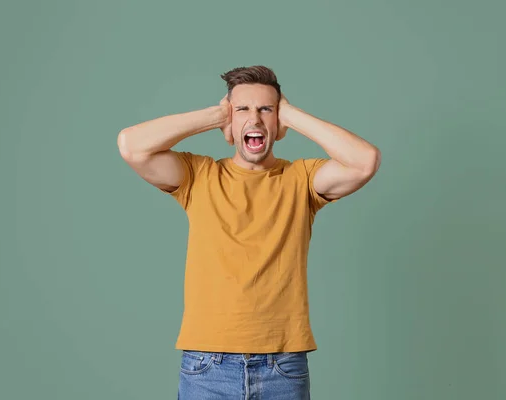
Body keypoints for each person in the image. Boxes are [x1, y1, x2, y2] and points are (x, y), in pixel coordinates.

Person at [117, 66, 381, 399]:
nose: (254, 118)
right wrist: (217, 114)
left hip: (282, 367)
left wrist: (292, 115)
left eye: (265, 109)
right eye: (242, 108)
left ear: (279, 124)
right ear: (227, 126)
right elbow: (131, 146)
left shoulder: (301, 180)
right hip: (206, 367)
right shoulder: (198, 176)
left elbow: (365, 161)